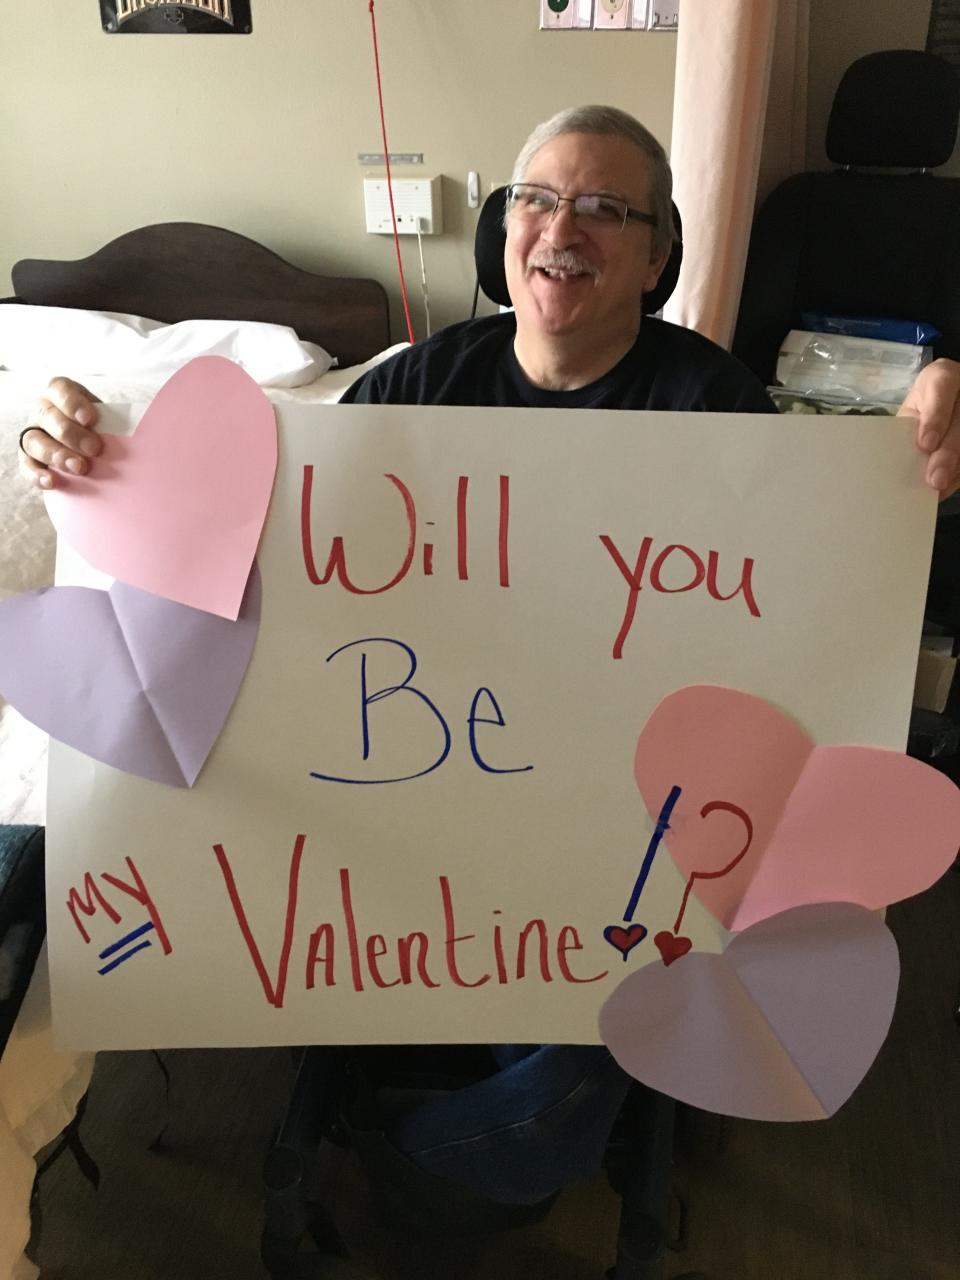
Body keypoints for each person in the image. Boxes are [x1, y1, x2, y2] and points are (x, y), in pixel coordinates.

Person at [13, 106, 960, 1212]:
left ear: (657, 256)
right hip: (419, 797)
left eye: (609, 208)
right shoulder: (410, 390)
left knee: (551, 1108)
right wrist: (92, 452)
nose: (566, 228)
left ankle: (397, 1142)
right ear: (501, 233)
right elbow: (252, 544)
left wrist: (918, 441)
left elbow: (813, 586)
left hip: (622, 830)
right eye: (540, 200)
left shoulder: (717, 410)